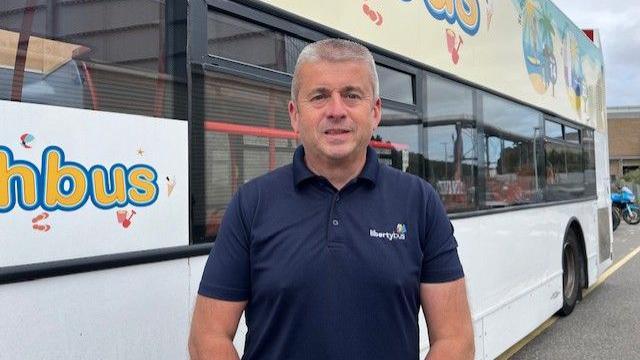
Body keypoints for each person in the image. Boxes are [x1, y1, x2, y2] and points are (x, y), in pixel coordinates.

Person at [189, 38, 474, 360]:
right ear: (295, 114)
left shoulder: (420, 203)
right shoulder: (251, 203)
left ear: (375, 111)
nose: (336, 111)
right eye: (320, 96)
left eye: (351, 95)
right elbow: (207, 337)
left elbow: (455, 339)